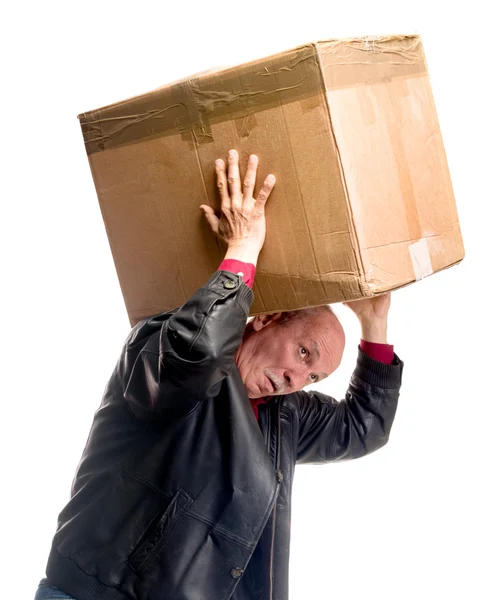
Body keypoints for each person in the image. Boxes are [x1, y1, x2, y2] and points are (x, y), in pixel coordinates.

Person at [35, 150, 403, 600]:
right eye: (303, 352)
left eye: (313, 377)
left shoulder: (282, 416)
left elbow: (364, 426)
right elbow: (201, 350)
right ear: (268, 320)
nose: (296, 378)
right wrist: (244, 247)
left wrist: (375, 321)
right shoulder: (162, 353)